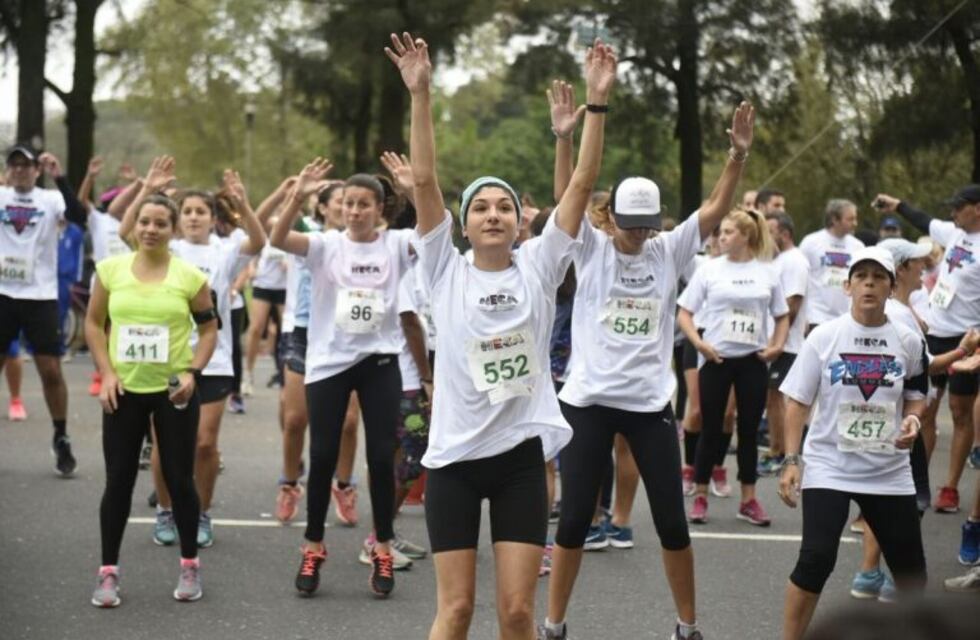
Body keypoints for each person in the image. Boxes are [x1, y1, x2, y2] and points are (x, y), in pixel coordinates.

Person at [388, 30, 615, 639]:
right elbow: (427, 181)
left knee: (517, 613)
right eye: (481, 207)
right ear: (462, 226)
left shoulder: (541, 267)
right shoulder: (442, 268)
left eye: (504, 207)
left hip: (518, 462)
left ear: (519, 222)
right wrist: (421, 94)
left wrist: (595, 107)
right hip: (455, 462)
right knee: (455, 610)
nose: (493, 214)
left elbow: (582, 187)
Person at [542, 89, 755, 638]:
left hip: (647, 406)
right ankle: (554, 624)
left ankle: (687, 626)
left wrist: (736, 156)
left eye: (647, 225)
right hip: (588, 403)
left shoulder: (670, 250)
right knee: (570, 523)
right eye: (630, 225)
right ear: (610, 217)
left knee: (671, 522)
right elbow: (569, 194)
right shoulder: (589, 247)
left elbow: (712, 211)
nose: (639, 235)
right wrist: (565, 137)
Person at [272, 154, 415, 597]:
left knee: (380, 456)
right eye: (348, 203)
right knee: (325, 455)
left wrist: (414, 189)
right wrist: (297, 194)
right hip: (329, 363)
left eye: (364, 204)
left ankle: (384, 547)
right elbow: (277, 238)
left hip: (379, 361)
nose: (354, 211)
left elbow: (437, 232)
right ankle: (313, 544)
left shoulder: (396, 243)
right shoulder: (325, 245)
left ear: (380, 208)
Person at [778, 246, 929, 640]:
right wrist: (792, 459)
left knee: (913, 575)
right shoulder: (824, 337)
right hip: (830, 465)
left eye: (878, 278)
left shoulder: (908, 341)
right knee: (815, 560)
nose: (869, 284)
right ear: (847, 286)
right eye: (861, 277)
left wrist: (913, 418)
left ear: (892, 288)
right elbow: (795, 401)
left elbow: (916, 392)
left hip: (888, 471)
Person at [118, 163, 266, 549]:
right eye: (187, 212)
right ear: (177, 220)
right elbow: (124, 230)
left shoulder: (226, 249)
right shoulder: (166, 248)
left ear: (213, 218)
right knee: (165, 444)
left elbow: (260, 240)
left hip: (211, 360)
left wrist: (244, 203)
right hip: (163, 360)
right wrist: (146, 188)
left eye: (202, 211)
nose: (195, 217)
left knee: (203, 443)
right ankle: (166, 511)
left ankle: (200, 512)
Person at [85, 193, 218, 607]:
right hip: (124, 390)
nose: (150, 229)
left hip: (171, 391)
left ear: (172, 229)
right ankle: (108, 574)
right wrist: (106, 372)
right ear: (135, 223)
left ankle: (190, 564)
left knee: (179, 480)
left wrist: (193, 373)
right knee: (119, 481)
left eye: (161, 223)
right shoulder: (110, 271)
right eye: (144, 221)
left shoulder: (189, 277)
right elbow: (92, 323)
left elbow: (210, 329)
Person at [678, 208, 789, 526]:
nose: (721, 237)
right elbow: (684, 312)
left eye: (727, 232)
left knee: (749, 431)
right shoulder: (710, 270)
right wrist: (699, 344)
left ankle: (749, 499)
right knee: (710, 428)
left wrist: (777, 346)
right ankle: (700, 495)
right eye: (720, 232)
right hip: (717, 358)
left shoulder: (767, 272)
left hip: (753, 360)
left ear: (746, 236)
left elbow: (782, 315)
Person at [874, 187, 980, 513]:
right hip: (935, 331)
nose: (952, 213)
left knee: (961, 413)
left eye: (958, 208)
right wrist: (897, 205)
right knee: (923, 411)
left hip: (967, 335)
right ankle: (913, 481)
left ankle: (949, 487)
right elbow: (924, 220)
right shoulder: (954, 232)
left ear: (976, 209)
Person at [0, 145, 87, 475]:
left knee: (50, 370)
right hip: (3, 294)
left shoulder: (49, 200)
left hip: (40, 296)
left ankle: (61, 435)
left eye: (26, 166)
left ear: (37, 170)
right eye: (15, 165)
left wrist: (61, 177)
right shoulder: (1, 196)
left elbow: (78, 216)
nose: (20, 171)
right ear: (8, 170)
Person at [759, 211, 809, 476]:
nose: (766, 235)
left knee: (778, 398)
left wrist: (776, 340)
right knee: (771, 397)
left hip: (786, 345)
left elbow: (793, 303)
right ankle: (774, 449)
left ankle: (780, 453)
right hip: (775, 342)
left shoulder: (796, 261)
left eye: (770, 230)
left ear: (785, 234)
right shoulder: (778, 261)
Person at [799, 199, 865, 331]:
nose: (855, 224)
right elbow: (800, 280)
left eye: (855, 219)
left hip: (847, 318)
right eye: (850, 219)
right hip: (817, 317)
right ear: (834, 219)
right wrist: (803, 316)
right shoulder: (810, 243)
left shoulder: (858, 246)